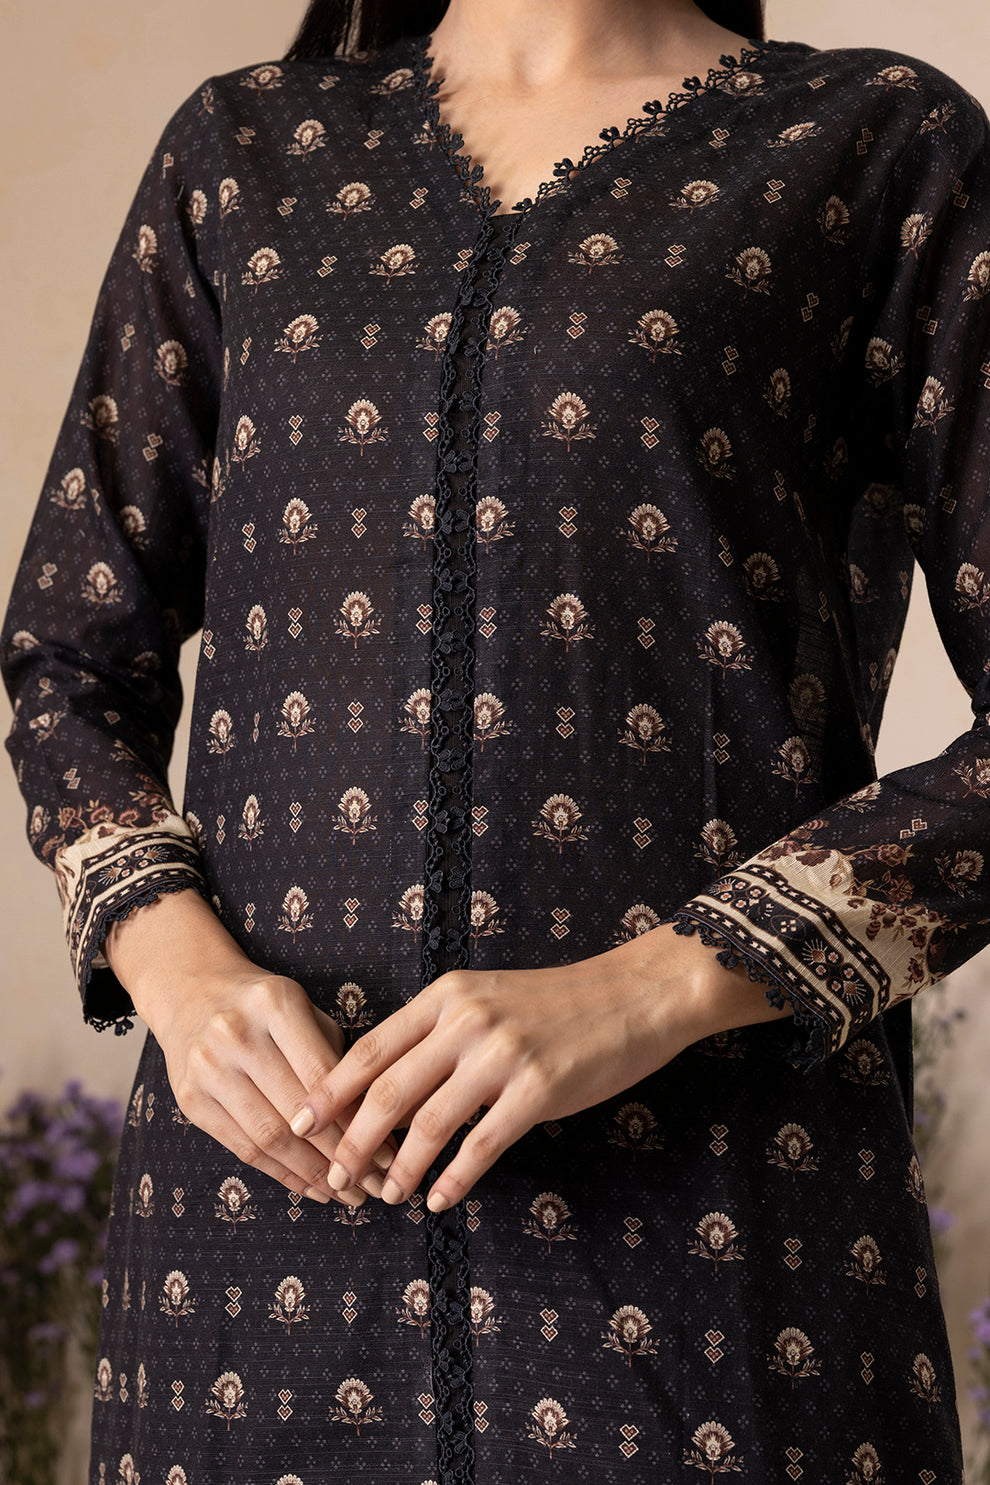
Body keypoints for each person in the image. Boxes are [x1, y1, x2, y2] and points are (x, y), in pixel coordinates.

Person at [2, 0, 986, 1477]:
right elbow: (68, 658)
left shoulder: (876, 144)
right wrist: (178, 970)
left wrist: (648, 989)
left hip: (713, 1246)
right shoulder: (243, 155)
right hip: (252, 1245)